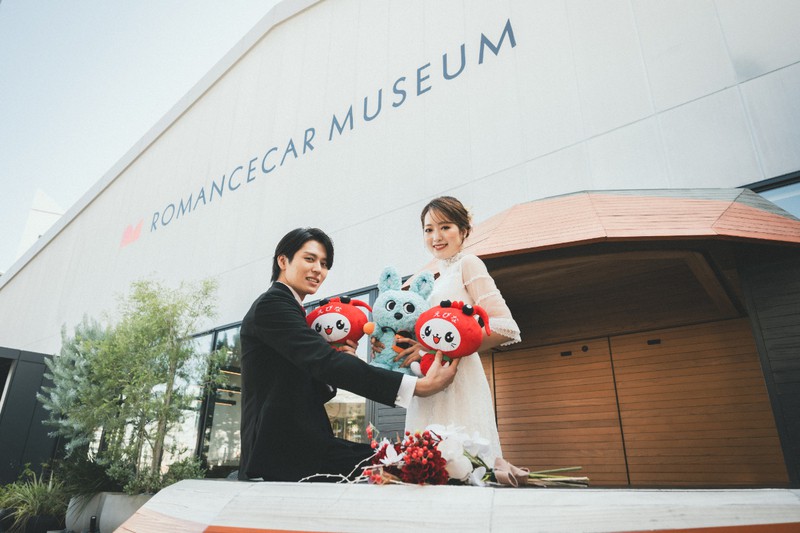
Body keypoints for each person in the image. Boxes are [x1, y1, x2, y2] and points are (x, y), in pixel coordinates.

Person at [238, 227, 459, 482]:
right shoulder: (272, 305)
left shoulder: (289, 307)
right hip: (277, 453)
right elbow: (326, 363)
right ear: (283, 261)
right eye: (309, 259)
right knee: (408, 465)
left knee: (408, 464)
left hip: (301, 447)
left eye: (324, 264)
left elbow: (314, 372)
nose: (318, 270)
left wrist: (342, 360)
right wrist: (417, 387)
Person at [397, 197, 521, 464]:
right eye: (429, 229)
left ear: (464, 230)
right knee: (426, 463)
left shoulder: (469, 264)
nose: (436, 237)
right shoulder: (436, 280)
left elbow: (505, 325)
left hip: (459, 379)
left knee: (462, 461)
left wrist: (445, 349)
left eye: (445, 227)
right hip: (429, 380)